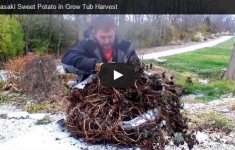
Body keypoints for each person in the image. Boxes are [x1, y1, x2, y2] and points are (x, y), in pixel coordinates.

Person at [61, 16, 139, 85]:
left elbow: (137, 69)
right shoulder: (85, 45)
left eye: (110, 36)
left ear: (114, 30)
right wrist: (97, 66)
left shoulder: (125, 47)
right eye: (102, 37)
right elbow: (66, 61)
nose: (107, 41)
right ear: (94, 33)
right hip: (90, 93)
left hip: (121, 92)